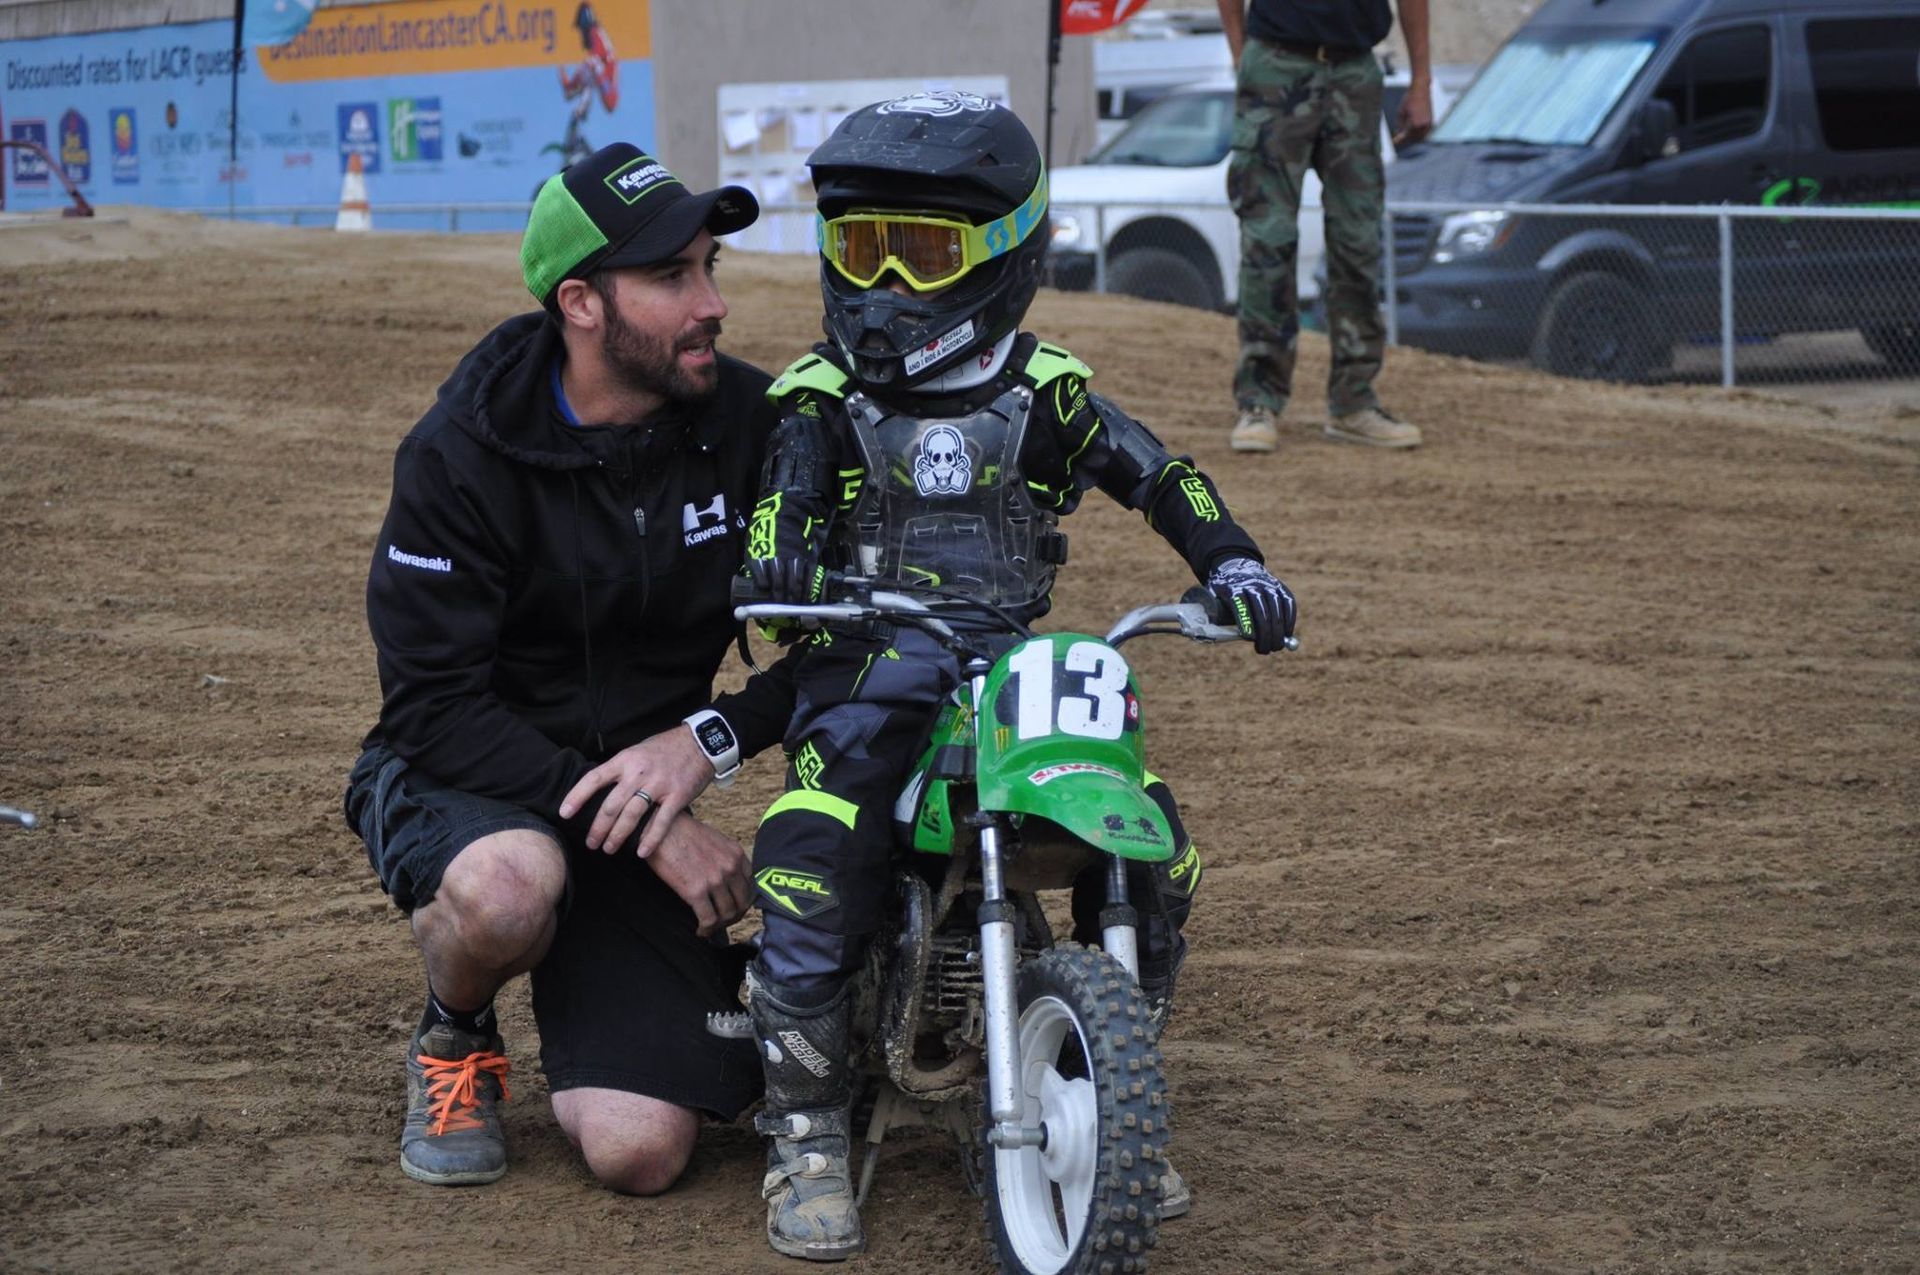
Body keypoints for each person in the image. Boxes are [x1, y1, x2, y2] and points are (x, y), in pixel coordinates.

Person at [737, 92, 1299, 1261]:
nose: (886, 283)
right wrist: (774, 560)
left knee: (1154, 845)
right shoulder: (817, 400)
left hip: (1015, 665)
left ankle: (1103, 1089)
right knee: (812, 847)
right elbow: (780, 508)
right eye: (862, 248)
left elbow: (1164, 476)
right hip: (867, 663)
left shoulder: (1046, 390)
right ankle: (804, 1132)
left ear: (1004, 254)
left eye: (923, 252)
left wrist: (1233, 562)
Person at [342, 143, 800, 1194]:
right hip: (473, 778)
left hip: (635, 791)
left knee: (640, 1152)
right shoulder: (459, 454)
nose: (713, 304)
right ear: (582, 303)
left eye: (710, 267)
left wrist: (710, 739)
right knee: (507, 893)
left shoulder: (755, 424)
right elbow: (432, 706)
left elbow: (852, 636)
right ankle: (456, 1032)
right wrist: (651, 824)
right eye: (672, 276)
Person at [1217, 0, 1432, 452]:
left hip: (1354, 70)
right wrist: (1242, 55)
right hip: (1276, 63)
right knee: (1268, 240)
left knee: (1358, 239)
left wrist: (1421, 82)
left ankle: (1354, 403)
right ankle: (1259, 403)